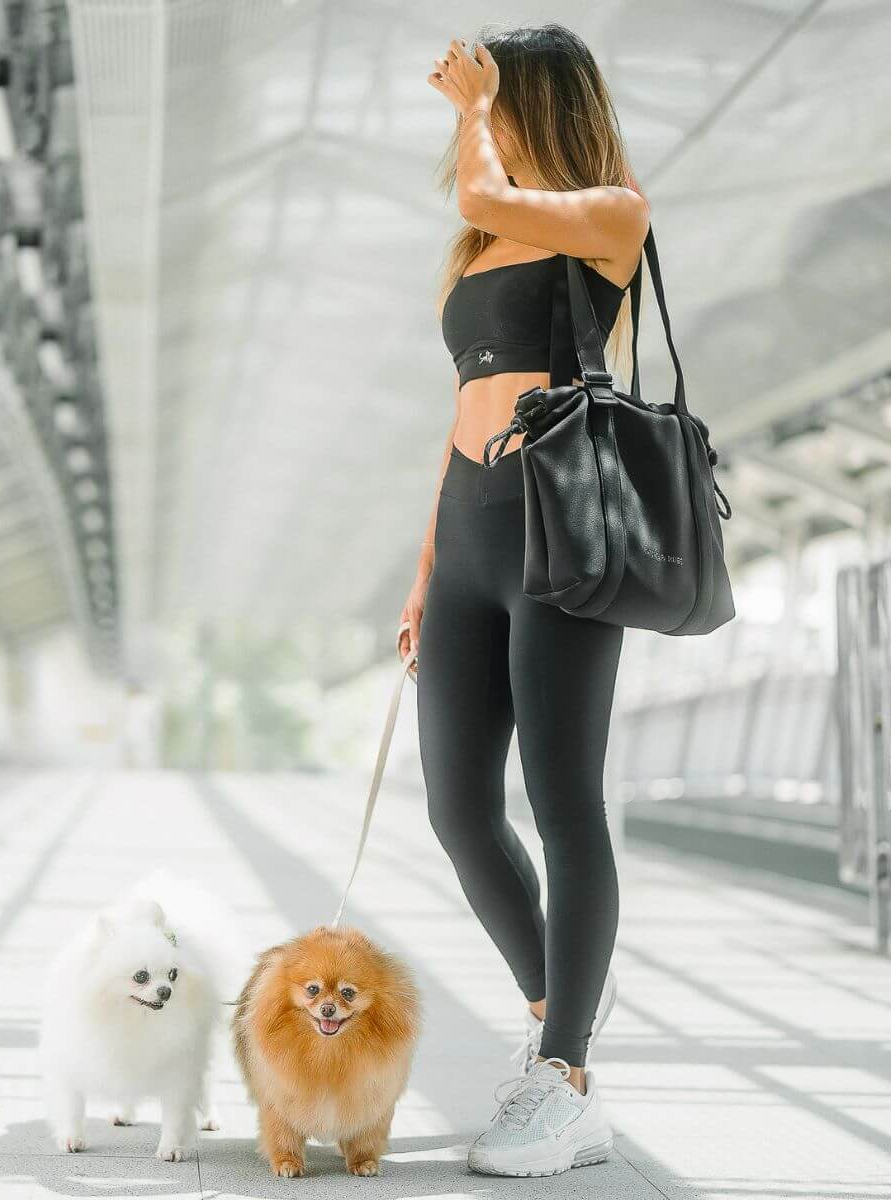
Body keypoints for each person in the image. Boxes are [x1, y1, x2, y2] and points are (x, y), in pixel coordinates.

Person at [400, 23, 649, 1178]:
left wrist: (473, 113)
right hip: (468, 538)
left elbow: (482, 174)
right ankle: (560, 1032)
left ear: (533, 102)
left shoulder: (610, 214)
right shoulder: (480, 241)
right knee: (458, 808)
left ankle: (564, 1070)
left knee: (562, 801)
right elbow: (459, 414)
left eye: (499, 93)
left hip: (561, 534)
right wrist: (424, 569)